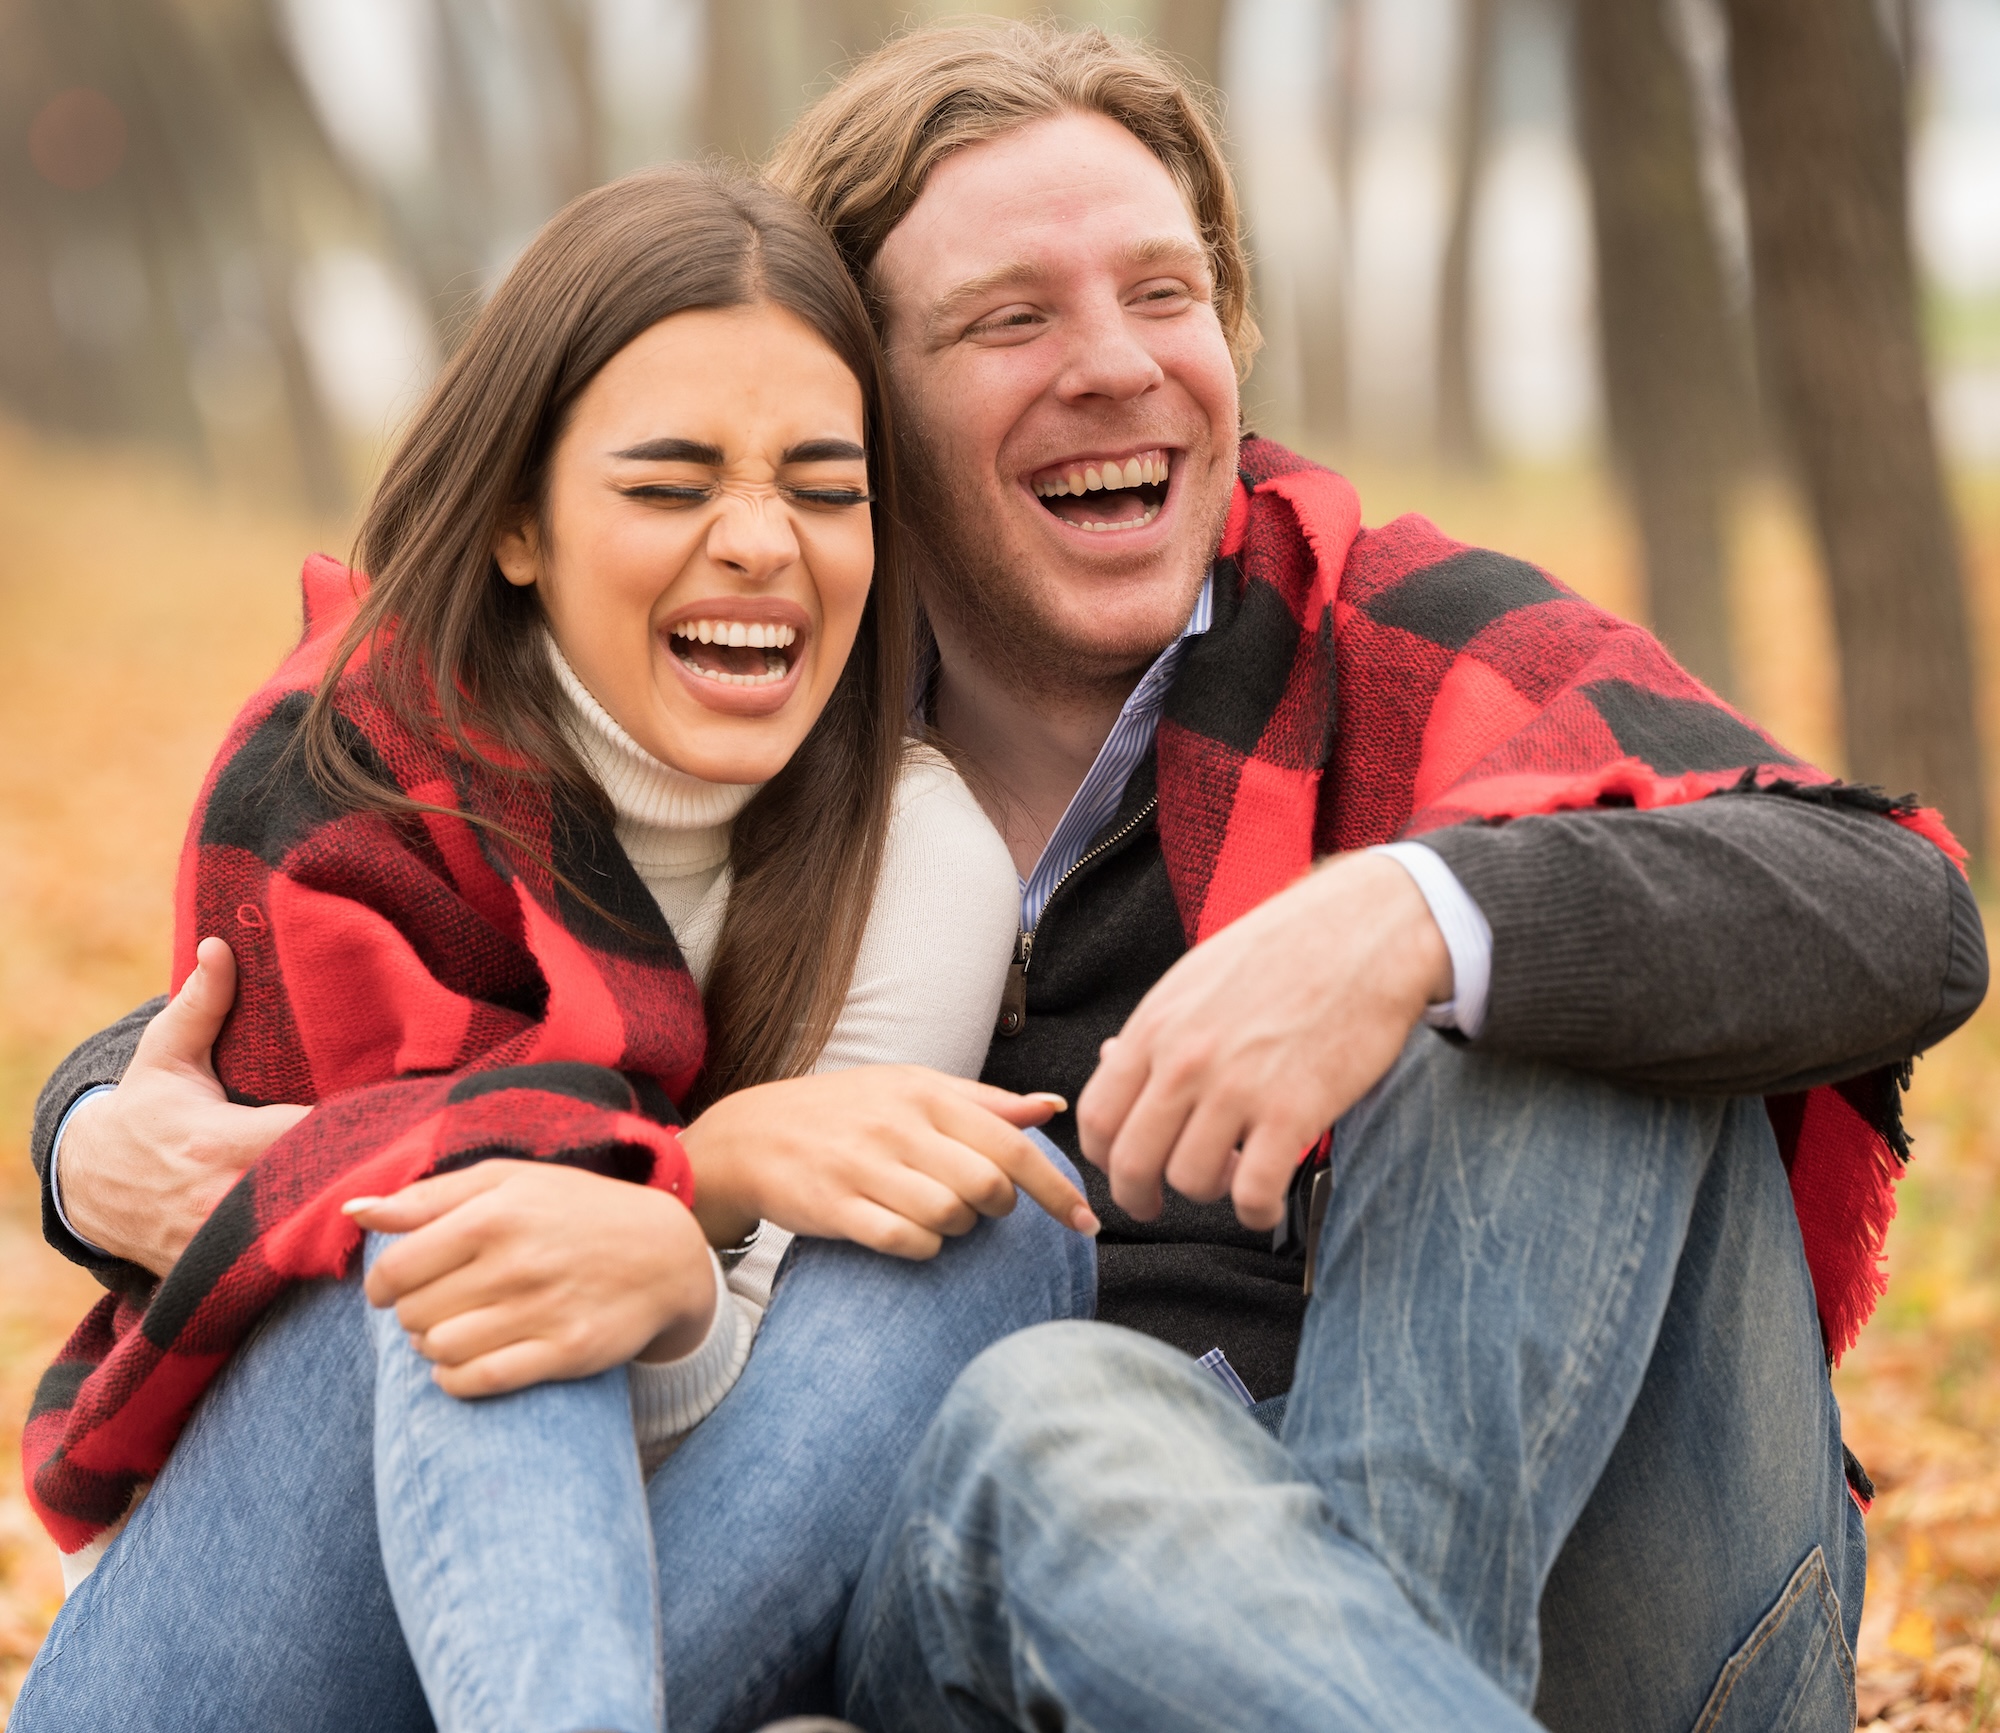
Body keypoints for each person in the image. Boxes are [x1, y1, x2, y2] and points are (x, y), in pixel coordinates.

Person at [32, 19, 1988, 1732]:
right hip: (1037, 1599)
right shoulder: (774, 737)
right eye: (1010, 320)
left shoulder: (1382, 635)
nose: (1121, 366)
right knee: (1047, 1419)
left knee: (1544, 954)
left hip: (1602, 1607)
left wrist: (1408, 918)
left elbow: (1895, 898)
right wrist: (94, 1110)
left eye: (1167, 293)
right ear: (857, 400)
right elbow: (396, 971)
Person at [12, 163, 1097, 1733]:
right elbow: (403, 1276)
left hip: (626, 1621)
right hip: (223, 1656)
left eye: (822, 484)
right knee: (469, 1203)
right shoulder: (353, 785)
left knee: (1002, 1229)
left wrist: (659, 1262)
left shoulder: (913, 858)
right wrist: (693, 1188)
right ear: (520, 522)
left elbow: (781, 1406)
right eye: (670, 485)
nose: (758, 542)